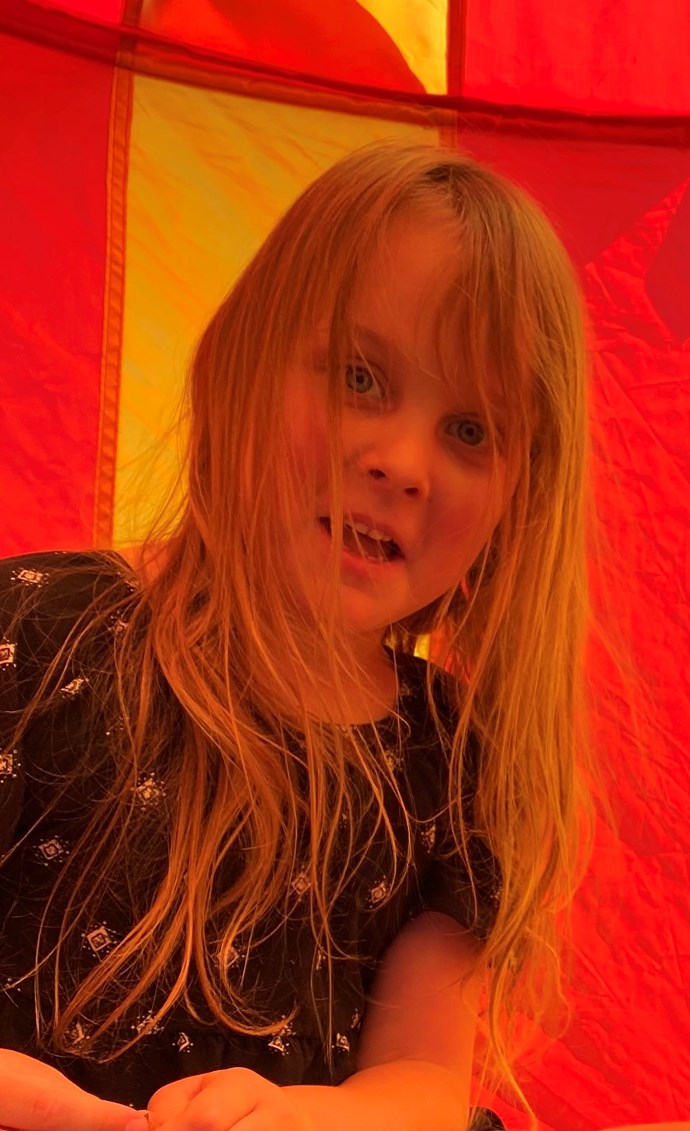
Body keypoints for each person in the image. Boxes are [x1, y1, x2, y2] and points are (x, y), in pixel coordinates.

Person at [0, 142, 592, 1130]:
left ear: (518, 503)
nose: (402, 462)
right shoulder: (34, 633)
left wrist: (298, 1118)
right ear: (240, 362)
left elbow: (422, 1082)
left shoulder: (449, 759)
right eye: (360, 376)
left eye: (470, 431)